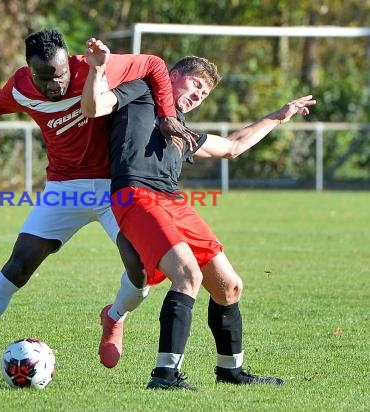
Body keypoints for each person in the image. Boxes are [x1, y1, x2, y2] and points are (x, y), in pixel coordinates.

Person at [0, 29, 194, 385]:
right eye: (43, 78)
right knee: (17, 267)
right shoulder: (22, 87)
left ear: (70, 61)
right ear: (29, 70)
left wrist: (167, 113)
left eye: (59, 75)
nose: (53, 86)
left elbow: (154, 64)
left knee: (141, 270)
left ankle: (114, 317)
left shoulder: (98, 67)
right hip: (64, 188)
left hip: (114, 186)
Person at [81, 48, 316, 389]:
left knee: (229, 286)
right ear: (172, 77)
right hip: (134, 196)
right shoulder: (142, 91)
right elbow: (94, 107)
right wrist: (96, 71)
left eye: (204, 94)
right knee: (187, 274)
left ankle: (230, 371)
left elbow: (233, 146)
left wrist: (279, 115)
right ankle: (164, 375)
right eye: (195, 85)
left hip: (173, 202)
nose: (198, 96)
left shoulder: (182, 130)